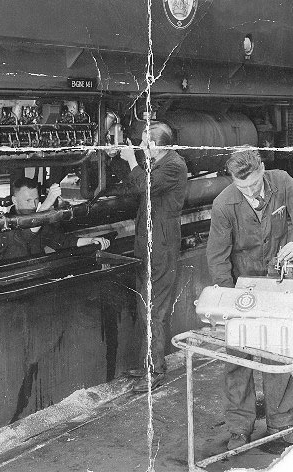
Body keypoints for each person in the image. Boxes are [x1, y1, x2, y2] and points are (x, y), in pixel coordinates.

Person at [205, 149, 293, 451]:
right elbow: (217, 257)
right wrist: (228, 301)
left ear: (262, 169)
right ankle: (238, 428)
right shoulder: (224, 204)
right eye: (242, 187)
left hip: (277, 283)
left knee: (279, 351)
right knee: (238, 358)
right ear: (232, 180)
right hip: (240, 288)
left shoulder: (282, 183)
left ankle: (282, 425)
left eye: (255, 184)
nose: (250, 191)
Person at [118, 122, 188, 392]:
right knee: (145, 305)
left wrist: (131, 161)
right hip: (150, 240)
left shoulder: (173, 165)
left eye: (146, 142)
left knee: (154, 308)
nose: (142, 146)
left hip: (161, 243)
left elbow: (144, 186)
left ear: (158, 145)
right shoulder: (161, 161)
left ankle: (155, 372)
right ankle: (149, 363)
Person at [0, 176, 110, 265]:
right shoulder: (2, 224)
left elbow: (62, 242)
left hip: (37, 277)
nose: (33, 205)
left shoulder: (40, 222)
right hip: (9, 284)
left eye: (36, 199)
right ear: (15, 200)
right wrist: (47, 204)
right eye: (28, 200)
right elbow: (25, 237)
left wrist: (91, 240)